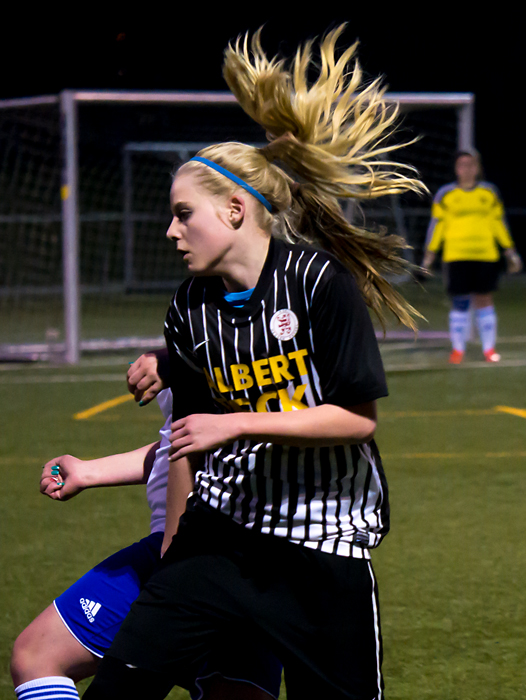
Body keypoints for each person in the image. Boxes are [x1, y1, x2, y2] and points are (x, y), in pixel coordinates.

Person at [83, 26, 426, 700]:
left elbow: (356, 421)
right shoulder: (190, 306)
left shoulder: (319, 283)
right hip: (221, 542)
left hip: (322, 551)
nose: (170, 231)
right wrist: (173, 553)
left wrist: (237, 424)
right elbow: (188, 437)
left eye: (185, 214)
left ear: (236, 210)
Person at [10, 382, 283, 700]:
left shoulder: (219, 343)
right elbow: (181, 442)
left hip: (218, 550)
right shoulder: (193, 344)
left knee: (38, 656)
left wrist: (168, 361)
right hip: (205, 550)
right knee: (36, 656)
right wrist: (90, 472)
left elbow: (239, 440)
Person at [422, 149, 523, 364]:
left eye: (471, 165)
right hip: (456, 256)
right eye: (462, 165)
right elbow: (437, 227)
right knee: (460, 302)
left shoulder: (489, 193)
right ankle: (458, 350)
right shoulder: (446, 194)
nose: (467, 169)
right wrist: (429, 257)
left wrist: (510, 252)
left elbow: (499, 224)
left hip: (485, 255)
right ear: (456, 169)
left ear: (477, 168)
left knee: (484, 300)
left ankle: (489, 350)